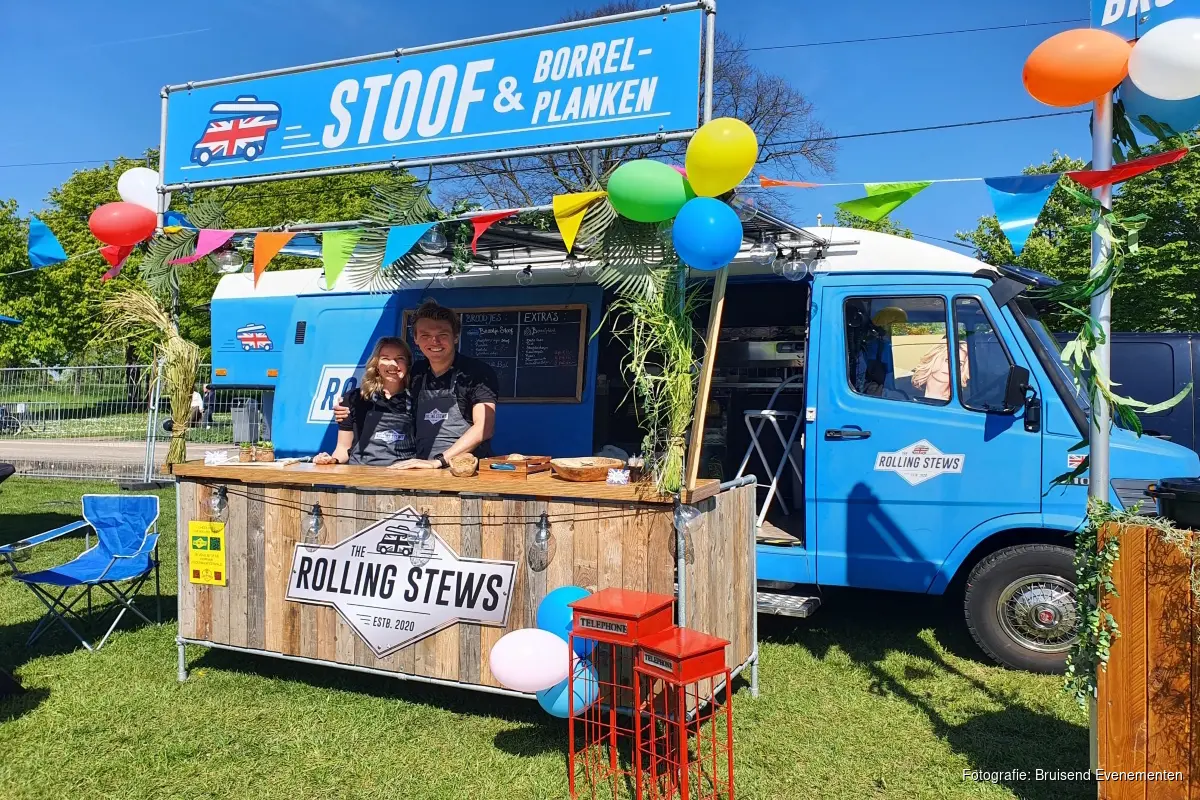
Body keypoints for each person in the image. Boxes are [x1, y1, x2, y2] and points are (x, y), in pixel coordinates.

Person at [333, 299, 498, 469]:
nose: (434, 341)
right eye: (425, 335)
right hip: (422, 470)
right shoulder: (417, 373)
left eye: (442, 335)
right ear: (416, 339)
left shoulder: (477, 373)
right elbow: (386, 389)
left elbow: (484, 427)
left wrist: (439, 461)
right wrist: (347, 404)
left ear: (455, 337)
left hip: (465, 470)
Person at [315, 337, 417, 466]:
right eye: (385, 358)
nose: (393, 364)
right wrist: (331, 460)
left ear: (408, 364)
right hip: (361, 474)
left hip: (403, 475)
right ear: (376, 364)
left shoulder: (418, 399)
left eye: (400, 358)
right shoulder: (354, 399)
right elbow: (343, 448)